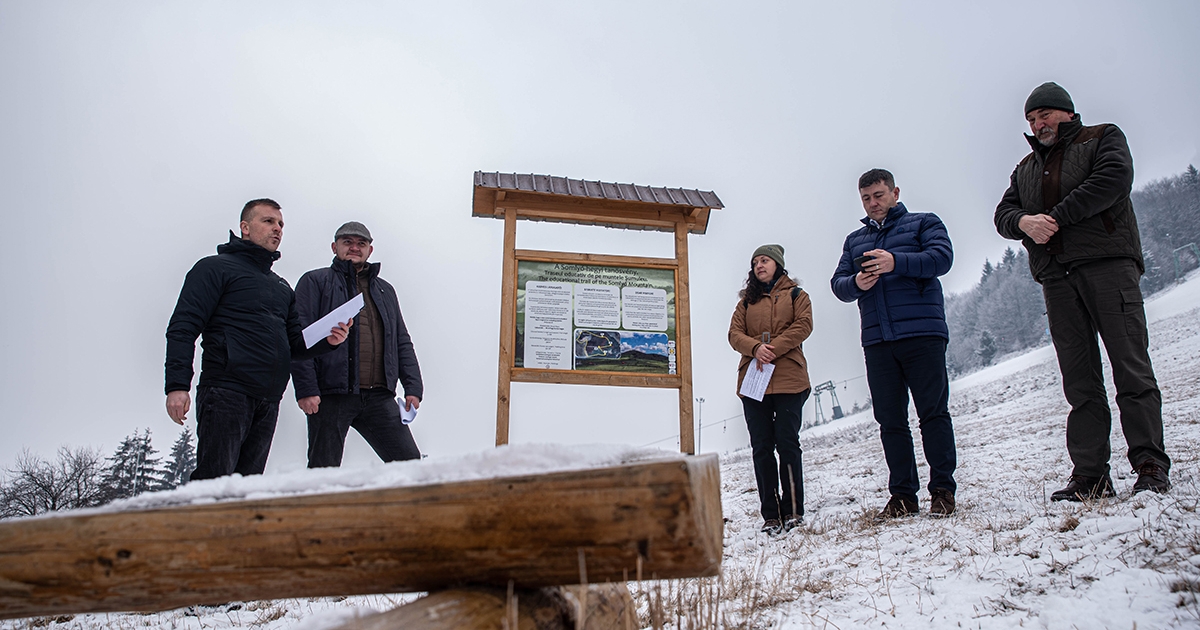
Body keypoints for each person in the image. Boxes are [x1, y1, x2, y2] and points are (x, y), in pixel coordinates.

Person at [995, 82, 1170, 501]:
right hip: (1057, 278)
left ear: (1067, 113)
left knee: (1131, 368)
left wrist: (1053, 218)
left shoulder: (1102, 137)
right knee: (1079, 381)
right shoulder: (1025, 169)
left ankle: (1149, 465)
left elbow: (1112, 181)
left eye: (1044, 116)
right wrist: (1024, 223)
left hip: (1108, 267)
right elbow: (1003, 214)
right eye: (1032, 120)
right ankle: (1091, 475)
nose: (1038, 125)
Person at [165, 199, 352, 480]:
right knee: (213, 485)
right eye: (268, 221)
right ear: (245, 228)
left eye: (280, 224)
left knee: (246, 491)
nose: (277, 229)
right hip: (226, 392)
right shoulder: (214, 269)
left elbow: (294, 345)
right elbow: (183, 326)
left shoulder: (281, 288)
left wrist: (329, 340)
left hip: (268, 400)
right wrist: (177, 385)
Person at [831, 169, 957, 519]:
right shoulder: (855, 240)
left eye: (879, 195)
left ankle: (943, 491)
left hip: (923, 334)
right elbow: (838, 284)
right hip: (877, 340)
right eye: (866, 198)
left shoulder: (923, 223)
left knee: (933, 413)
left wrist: (895, 261)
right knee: (890, 421)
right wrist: (857, 281)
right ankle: (903, 496)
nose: (873, 203)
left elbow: (942, 259)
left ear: (895, 192)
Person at [290, 221, 424, 468]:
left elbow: (401, 341)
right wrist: (306, 389)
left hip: (379, 396)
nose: (354, 247)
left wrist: (413, 386)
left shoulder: (385, 291)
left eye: (361, 243)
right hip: (331, 395)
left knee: (410, 464)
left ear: (370, 250)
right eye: (347, 242)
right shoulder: (315, 282)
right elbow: (299, 338)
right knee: (324, 470)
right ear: (334, 247)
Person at [728, 244, 813, 535]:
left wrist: (772, 349)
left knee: (788, 443)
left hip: (789, 377)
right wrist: (755, 348)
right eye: (755, 262)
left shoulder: (797, 295)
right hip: (754, 380)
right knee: (761, 447)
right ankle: (770, 515)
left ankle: (792, 510)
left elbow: (803, 326)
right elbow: (734, 334)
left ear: (777, 264)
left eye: (764, 260)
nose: (759, 266)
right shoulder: (745, 303)